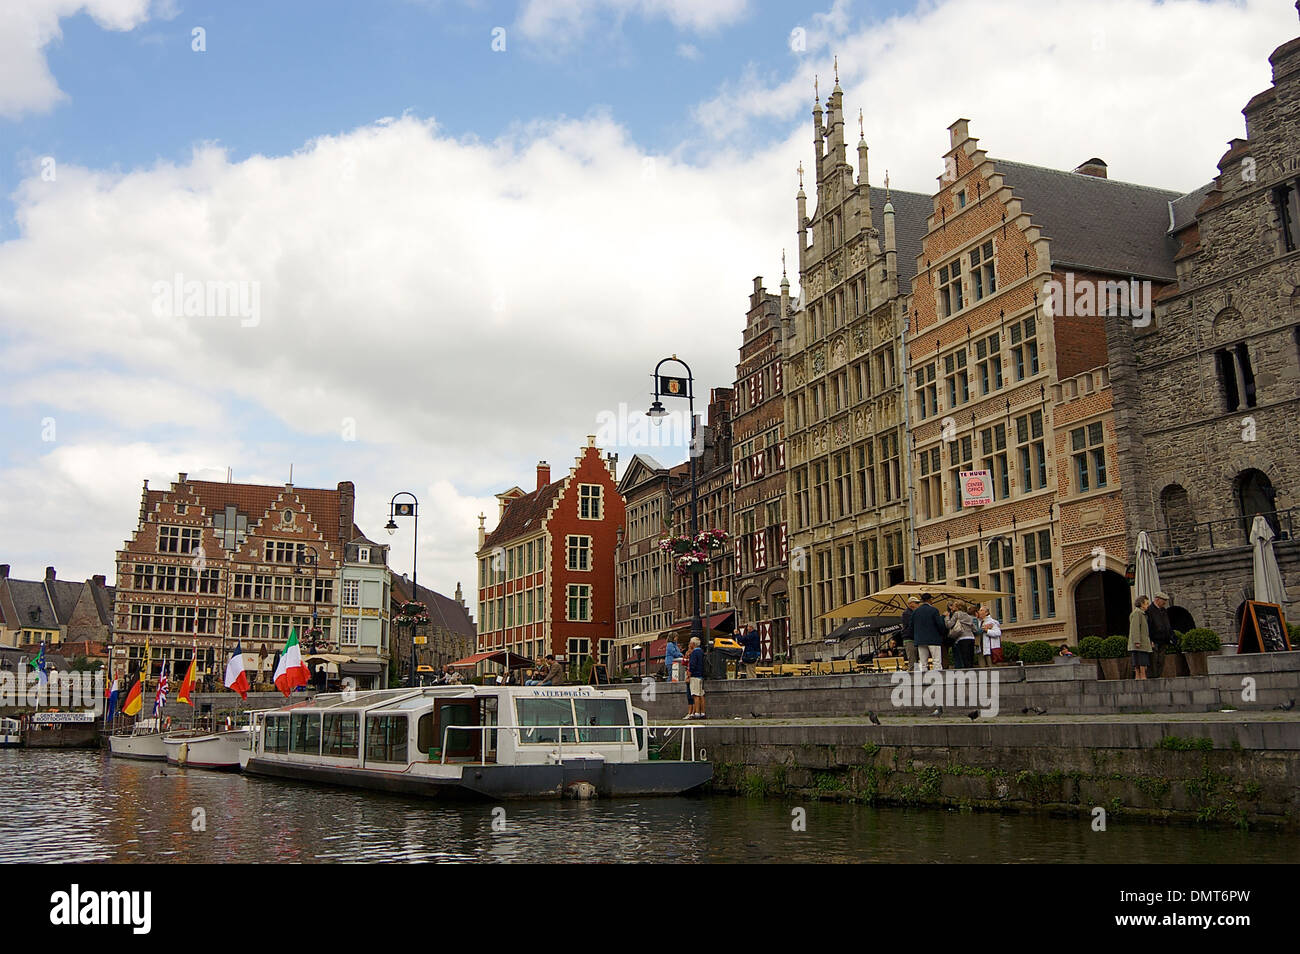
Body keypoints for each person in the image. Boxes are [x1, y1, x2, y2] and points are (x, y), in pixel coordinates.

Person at [911, 593, 946, 671]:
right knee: (936, 661)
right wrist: (942, 634)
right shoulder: (934, 610)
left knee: (923, 662)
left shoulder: (915, 612)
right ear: (930, 600)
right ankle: (938, 679)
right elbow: (939, 625)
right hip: (933, 638)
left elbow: (911, 626)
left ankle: (924, 679)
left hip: (920, 639)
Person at [1146, 592, 1174, 677]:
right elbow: (1148, 626)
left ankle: (1159, 676)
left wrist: (1171, 636)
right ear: (1157, 599)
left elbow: (1167, 624)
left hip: (1164, 640)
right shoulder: (1149, 610)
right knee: (1154, 660)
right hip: (1155, 640)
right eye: (1163, 600)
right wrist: (1150, 640)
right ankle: (1154, 677)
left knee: (1161, 660)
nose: (1165, 603)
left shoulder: (1163, 610)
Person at [947, 600, 977, 669]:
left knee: (964, 658)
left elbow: (949, 625)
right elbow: (975, 629)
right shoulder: (969, 616)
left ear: (958, 607)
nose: (952, 607)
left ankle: (966, 675)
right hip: (971, 638)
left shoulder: (957, 614)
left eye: (954, 605)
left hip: (962, 638)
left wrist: (947, 617)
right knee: (970, 658)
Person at [1129, 596, 1153, 680]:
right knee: (1139, 658)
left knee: (1141, 658)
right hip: (1139, 641)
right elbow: (1135, 628)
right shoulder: (1137, 613)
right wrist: (1137, 641)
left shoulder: (1142, 614)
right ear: (1141, 604)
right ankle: (1140, 675)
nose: (1148, 605)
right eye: (1146, 603)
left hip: (1143, 640)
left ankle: (1141, 675)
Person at [685, 637, 706, 719]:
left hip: (695, 676)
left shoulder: (694, 653)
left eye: (690, 643)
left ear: (693, 644)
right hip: (701, 675)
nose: (689, 644)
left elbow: (692, 665)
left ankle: (697, 712)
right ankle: (703, 712)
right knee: (701, 695)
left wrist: (688, 675)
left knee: (695, 695)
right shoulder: (701, 652)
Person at [901, 596, 920, 670]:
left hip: (915, 638)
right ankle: (912, 677)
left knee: (916, 660)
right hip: (909, 639)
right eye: (916, 603)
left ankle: (916, 676)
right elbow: (911, 625)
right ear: (911, 604)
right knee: (912, 660)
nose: (918, 605)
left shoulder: (914, 613)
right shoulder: (907, 613)